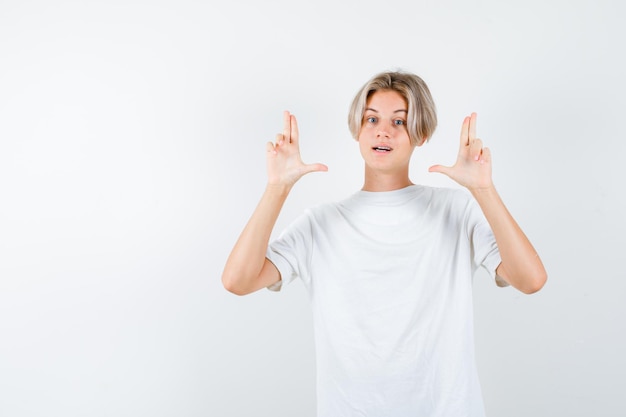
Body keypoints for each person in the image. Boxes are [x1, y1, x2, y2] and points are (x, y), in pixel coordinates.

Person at [221, 70, 547, 417]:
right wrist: (278, 188)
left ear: (421, 134)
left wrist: (483, 191)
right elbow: (237, 281)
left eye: (400, 122)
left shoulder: (456, 210)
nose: (383, 130)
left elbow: (530, 280)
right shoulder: (321, 224)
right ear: (358, 129)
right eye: (372, 118)